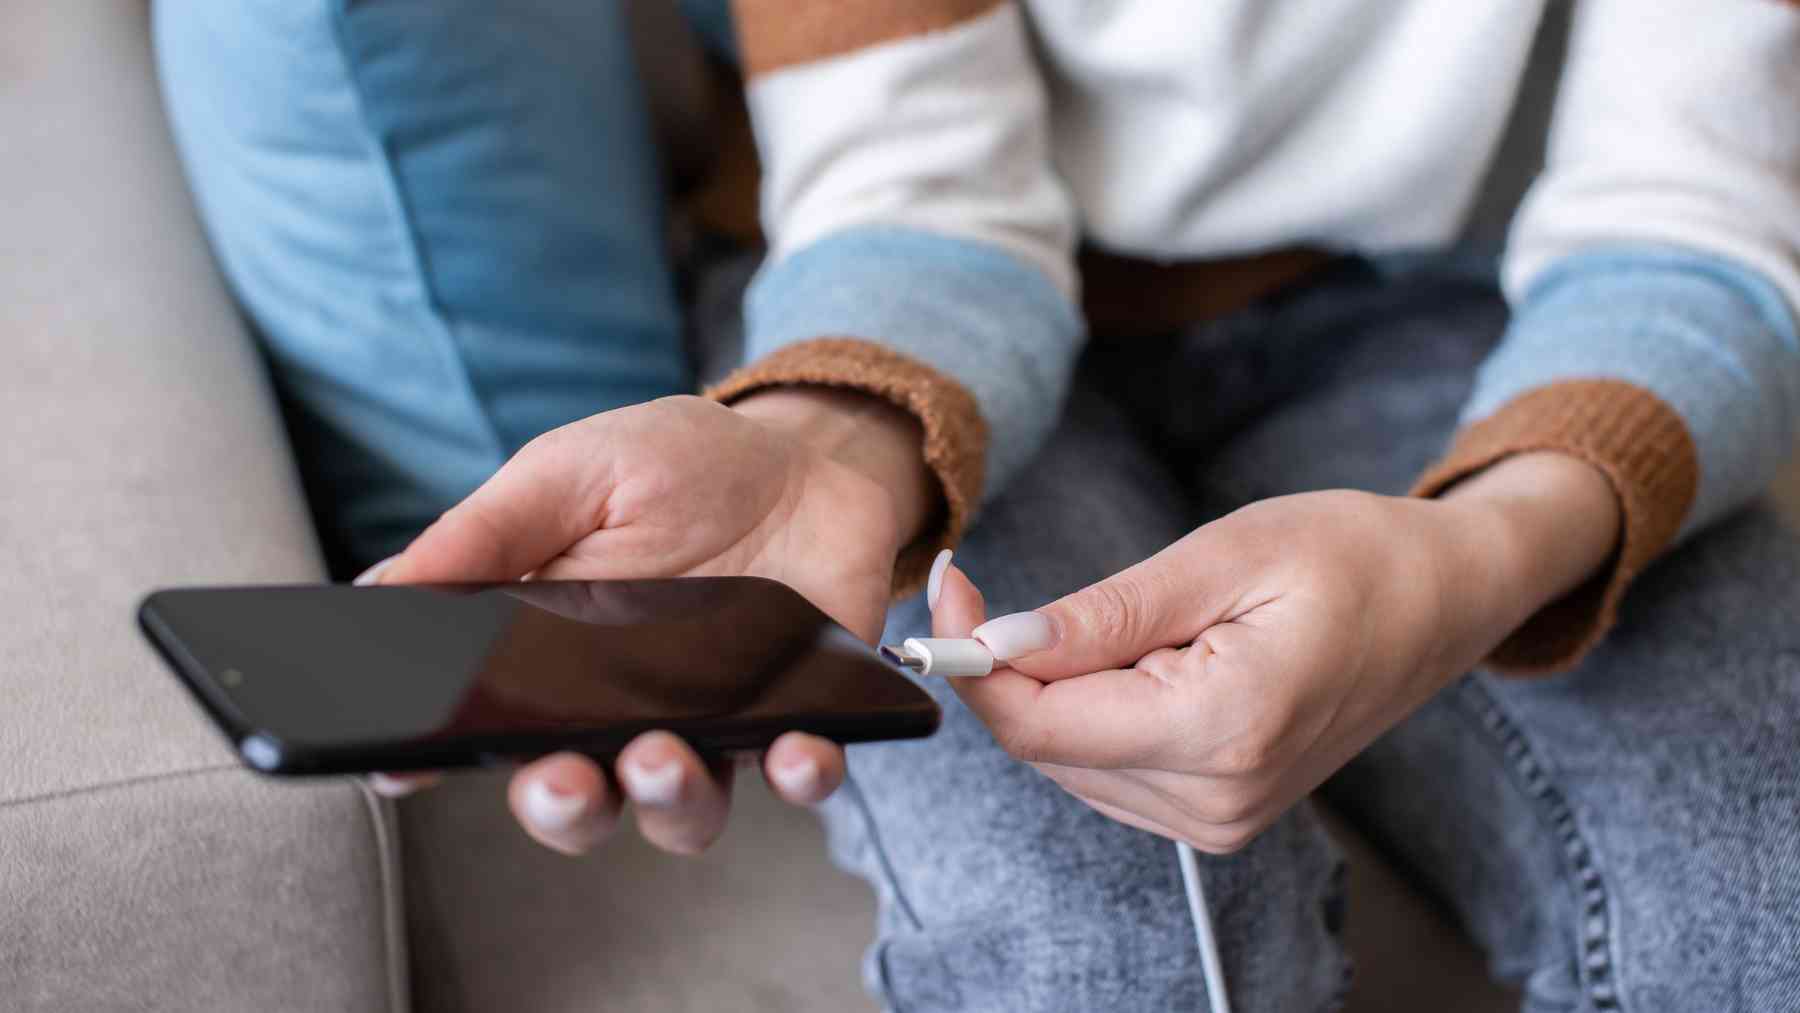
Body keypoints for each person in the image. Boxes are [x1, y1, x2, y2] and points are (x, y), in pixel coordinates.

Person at [157, 0, 1800, 1009]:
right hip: (900, 311)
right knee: (1104, 943)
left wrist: (1481, 547)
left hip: (1445, 311)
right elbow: (913, 178)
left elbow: (1705, 220)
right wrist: (840, 442)